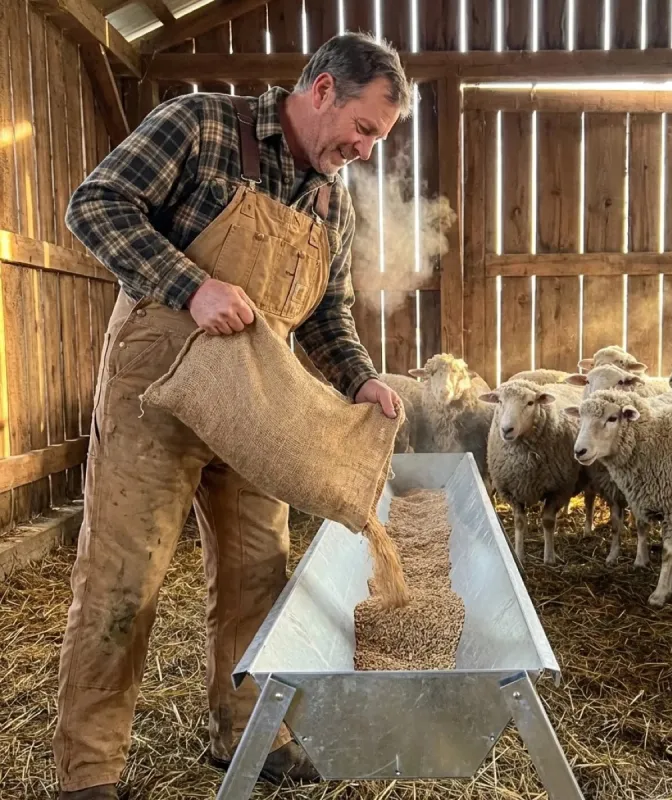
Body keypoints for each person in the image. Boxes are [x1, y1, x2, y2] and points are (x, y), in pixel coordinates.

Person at [53, 32, 412, 800]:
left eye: (377, 138)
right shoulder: (201, 125)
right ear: (321, 91)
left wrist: (358, 380)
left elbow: (328, 313)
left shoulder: (329, 196)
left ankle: (248, 735)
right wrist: (190, 286)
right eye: (365, 128)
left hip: (256, 408)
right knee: (124, 582)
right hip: (156, 397)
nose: (366, 149)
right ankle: (89, 770)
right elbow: (95, 205)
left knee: (259, 577)